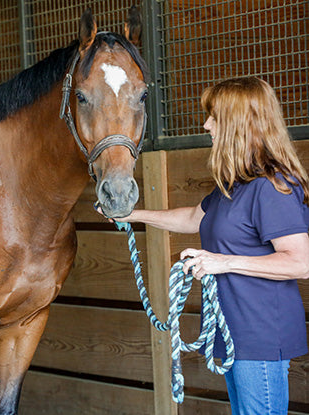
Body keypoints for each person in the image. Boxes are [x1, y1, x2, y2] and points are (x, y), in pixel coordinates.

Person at [99, 77, 309, 415]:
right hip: (237, 333)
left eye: (213, 117)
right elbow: (193, 219)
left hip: (261, 336)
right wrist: (130, 214)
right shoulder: (236, 184)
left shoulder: (272, 186)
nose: (206, 125)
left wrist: (222, 262)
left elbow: (300, 262)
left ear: (237, 123)